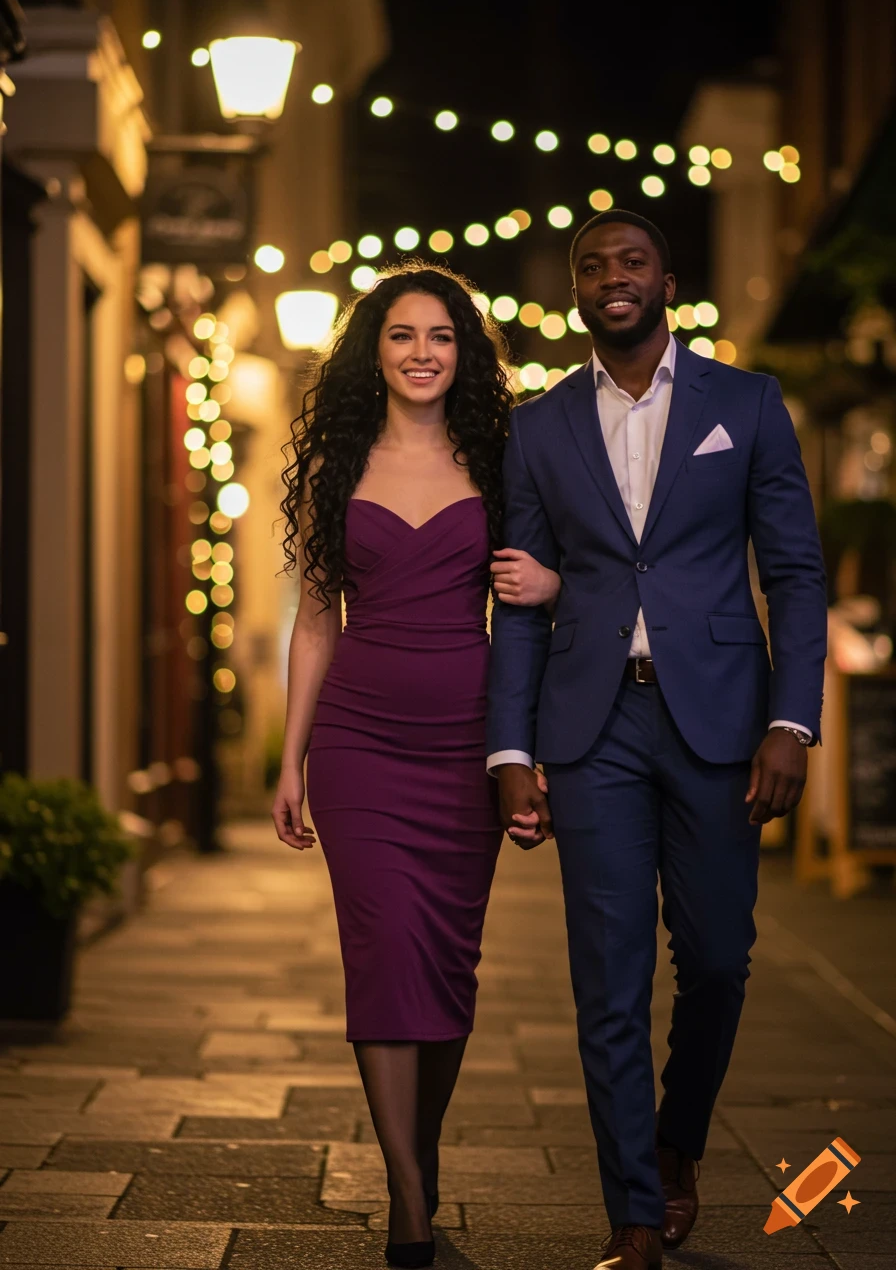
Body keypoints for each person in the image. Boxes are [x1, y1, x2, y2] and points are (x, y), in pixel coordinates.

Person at [487, 210, 827, 1270]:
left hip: (720, 719)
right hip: (591, 727)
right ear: (576, 290)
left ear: (666, 281)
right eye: (591, 265)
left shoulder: (746, 402)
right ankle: (633, 1210)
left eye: (630, 261)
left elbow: (794, 573)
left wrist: (790, 718)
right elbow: (518, 602)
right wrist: (509, 752)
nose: (611, 276)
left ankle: (677, 1139)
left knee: (718, 958)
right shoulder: (537, 426)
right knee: (608, 973)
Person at [272, 264, 559, 1270]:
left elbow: (556, 593)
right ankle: (406, 1195)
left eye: (441, 335)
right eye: (402, 335)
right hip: (357, 742)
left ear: (463, 352)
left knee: (444, 959)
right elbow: (315, 621)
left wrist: (553, 582)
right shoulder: (336, 463)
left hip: (468, 740)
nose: (422, 352)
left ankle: (417, 1149)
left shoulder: (502, 459)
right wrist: (290, 758)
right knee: (384, 948)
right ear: (375, 351)